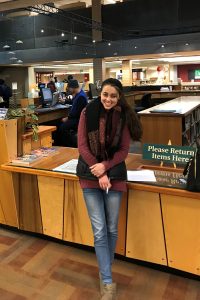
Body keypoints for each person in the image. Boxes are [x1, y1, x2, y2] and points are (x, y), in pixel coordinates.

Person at [76, 78, 142, 300]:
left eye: (113, 96)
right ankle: (107, 281)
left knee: (112, 228)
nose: (108, 99)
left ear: (119, 97)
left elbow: (123, 150)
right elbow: (82, 145)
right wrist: (100, 172)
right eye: (105, 94)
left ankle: (106, 266)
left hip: (114, 174)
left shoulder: (123, 116)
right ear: (99, 93)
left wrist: (105, 167)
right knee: (100, 230)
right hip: (90, 175)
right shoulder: (87, 112)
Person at [55, 79, 88, 146]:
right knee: (59, 123)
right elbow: (73, 101)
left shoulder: (80, 97)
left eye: (69, 88)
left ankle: (64, 146)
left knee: (60, 127)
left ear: (73, 88)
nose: (68, 90)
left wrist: (67, 118)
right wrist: (64, 101)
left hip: (77, 120)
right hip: (77, 119)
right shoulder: (80, 94)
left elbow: (76, 113)